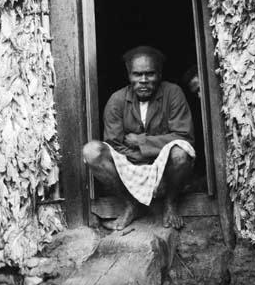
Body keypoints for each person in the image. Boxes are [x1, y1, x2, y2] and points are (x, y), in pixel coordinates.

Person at [82, 46, 195, 230]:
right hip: (130, 169)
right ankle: (131, 206)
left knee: (180, 153)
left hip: (165, 169)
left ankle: (170, 204)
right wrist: (146, 154)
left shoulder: (173, 93)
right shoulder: (116, 100)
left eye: (150, 74)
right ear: (129, 76)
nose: (143, 80)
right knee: (92, 151)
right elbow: (114, 145)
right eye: (137, 74)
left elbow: (184, 137)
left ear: (159, 74)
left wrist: (140, 142)